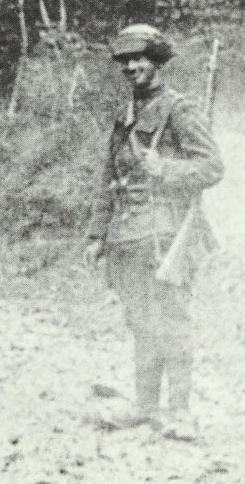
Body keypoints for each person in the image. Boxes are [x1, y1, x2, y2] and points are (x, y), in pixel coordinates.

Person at [84, 24, 222, 441]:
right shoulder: (124, 115)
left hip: (167, 233)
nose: (131, 67)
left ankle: (179, 412)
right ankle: (145, 406)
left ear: (157, 61)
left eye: (139, 58)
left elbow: (213, 167)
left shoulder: (180, 110)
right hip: (128, 234)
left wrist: (167, 169)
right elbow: (108, 177)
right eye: (124, 61)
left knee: (172, 320)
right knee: (140, 321)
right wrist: (96, 234)